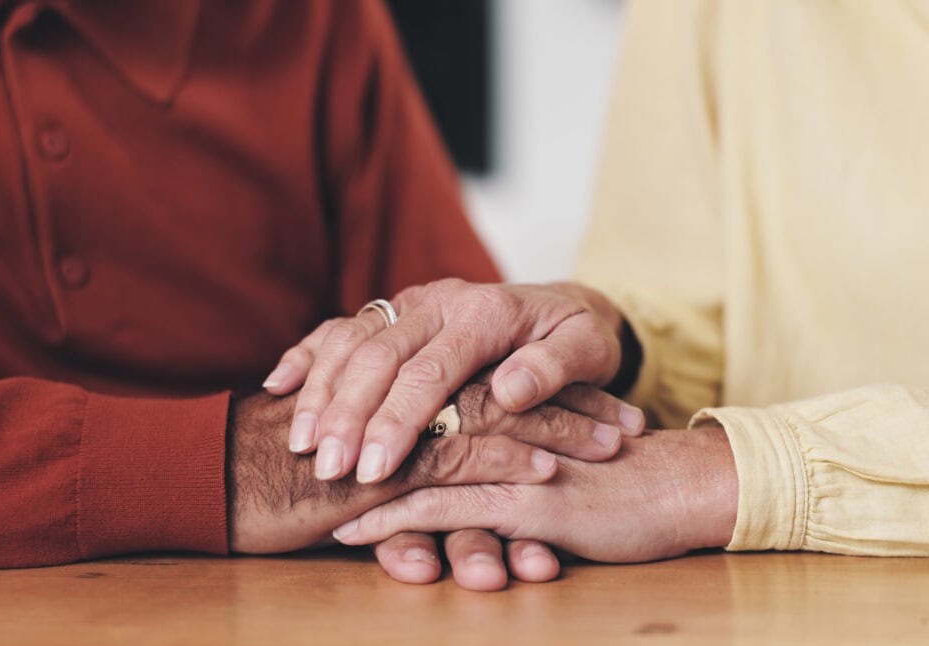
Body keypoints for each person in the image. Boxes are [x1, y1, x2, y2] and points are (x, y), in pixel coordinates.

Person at [0, 0, 647, 589]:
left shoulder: (311, 17)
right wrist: (231, 468)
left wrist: (471, 470)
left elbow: (459, 357)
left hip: (322, 620)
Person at [282, 0, 929, 561]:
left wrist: (720, 478)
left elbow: (701, 483)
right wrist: (598, 339)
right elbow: (677, 301)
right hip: (742, 612)